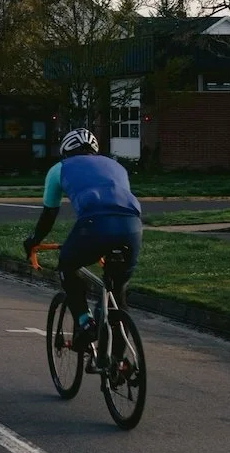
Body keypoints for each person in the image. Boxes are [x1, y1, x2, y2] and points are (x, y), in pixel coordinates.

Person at [24, 128, 143, 351]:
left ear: (66, 152)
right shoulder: (116, 166)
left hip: (95, 225)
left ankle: (85, 322)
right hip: (132, 226)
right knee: (117, 290)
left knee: (67, 266)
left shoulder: (59, 169)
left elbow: (49, 215)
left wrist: (33, 240)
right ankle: (118, 364)